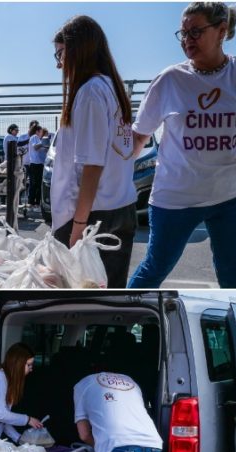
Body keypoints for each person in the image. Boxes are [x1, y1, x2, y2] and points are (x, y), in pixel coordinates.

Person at [128, 2, 236, 288]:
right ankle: (113, 324)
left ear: (222, 31)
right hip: (175, 197)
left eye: (195, 32)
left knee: (235, 276)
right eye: (183, 33)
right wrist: (111, 177)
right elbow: (139, 137)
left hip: (233, 195)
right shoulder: (169, 80)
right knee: (154, 268)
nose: (187, 40)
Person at [50, 15, 138, 288]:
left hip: (91, 214)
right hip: (121, 206)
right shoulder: (113, 88)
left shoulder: (89, 93)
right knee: (110, 292)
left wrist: (77, 227)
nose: (59, 63)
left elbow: (92, 166)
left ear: (78, 50)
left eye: (61, 53)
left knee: (75, 292)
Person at [26, 125, 47, 209]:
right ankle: (32, 203)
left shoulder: (38, 139)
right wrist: (43, 143)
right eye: (41, 131)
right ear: (37, 131)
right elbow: (35, 147)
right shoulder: (34, 137)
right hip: (35, 163)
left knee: (38, 184)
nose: (42, 133)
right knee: (35, 184)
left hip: (39, 163)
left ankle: (36, 203)